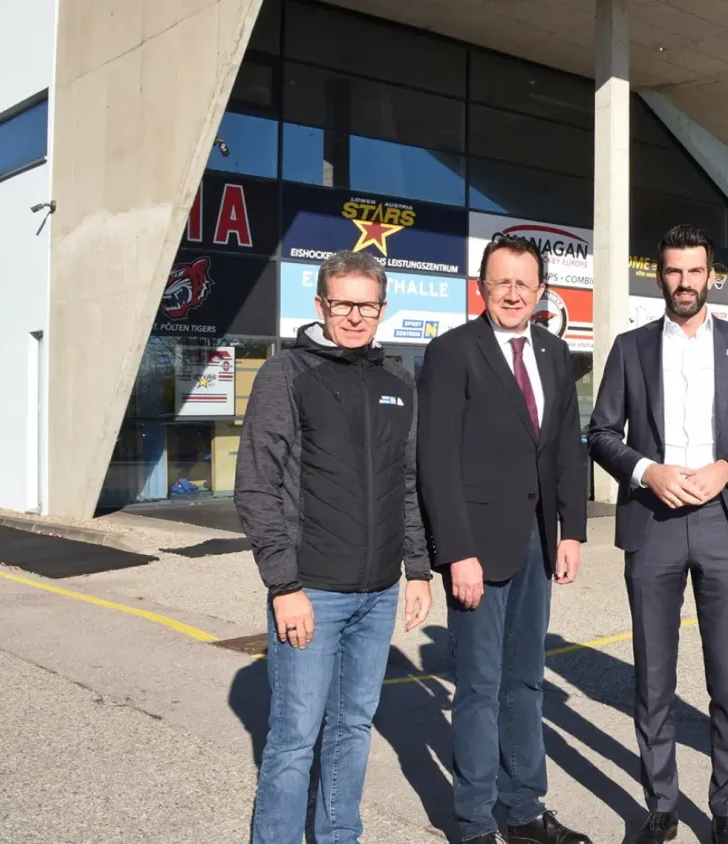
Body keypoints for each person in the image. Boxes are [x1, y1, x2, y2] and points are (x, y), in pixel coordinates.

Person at [589, 224, 728, 844]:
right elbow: (601, 433)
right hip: (653, 522)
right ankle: (661, 806)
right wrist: (648, 471)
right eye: (673, 271)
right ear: (659, 275)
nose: (683, 282)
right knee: (653, 677)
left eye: (694, 271)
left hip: (725, 521)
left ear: (712, 275)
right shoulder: (629, 348)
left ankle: (727, 810)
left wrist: (726, 469)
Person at [235, 250, 434, 844]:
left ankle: (338, 835)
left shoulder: (397, 380)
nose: (354, 316)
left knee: (352, 728)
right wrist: (284, 585)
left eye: (365, 305)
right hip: (311, 590)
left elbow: (406, 482)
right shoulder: (287, 375)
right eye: (342, 303)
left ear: (382, 308)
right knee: (296, 735)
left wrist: (418, 568)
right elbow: (256, 485)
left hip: (377, 593)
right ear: (320, 305)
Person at [417, 233, 592, 844]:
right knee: (479, 687)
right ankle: (471, 821)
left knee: (526, 681)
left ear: (541, 292)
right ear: (481, 289)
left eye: (524, 283)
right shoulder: (452, 352)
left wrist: (572, 531)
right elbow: (435, 461)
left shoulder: (551, 351)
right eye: (502, 282)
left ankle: (522, 810)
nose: (513, 294)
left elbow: (567, 447)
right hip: (476, 549)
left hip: (536, 545)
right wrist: (455, 550)